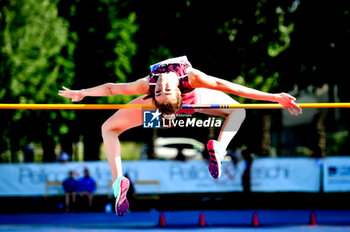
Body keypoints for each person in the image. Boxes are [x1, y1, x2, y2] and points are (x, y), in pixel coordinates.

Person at [58, 55, 302, 216]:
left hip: (190, 100)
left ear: (174, 90)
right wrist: (83, 93)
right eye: (163, 90)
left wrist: (274, 97)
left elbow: (231, 86)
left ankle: (219, 147)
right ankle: (118, 181)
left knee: (239, 111)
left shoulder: (154, 84)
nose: (162, 85)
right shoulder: (168, 85)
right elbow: (112, 88)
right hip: (173, 103)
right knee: (108, 128)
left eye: (162, 90)